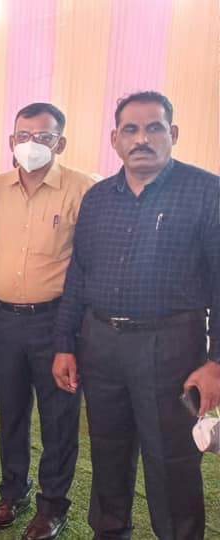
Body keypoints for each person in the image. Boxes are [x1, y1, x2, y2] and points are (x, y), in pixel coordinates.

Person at [52, 91, 220, 539]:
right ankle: (109, 531)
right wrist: (65, 344)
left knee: (172, 458)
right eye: (130, 129)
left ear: (173, 133)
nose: (141, 138)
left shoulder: (207, 192)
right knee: (107, 450)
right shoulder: (98, 198)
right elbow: (78, 276)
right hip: (100, 344)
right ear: (115, 139)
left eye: (154, 128)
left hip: (172, 347)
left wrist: (216, 362)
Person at [0, 103, 93, 540]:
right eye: (24, 136)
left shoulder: (82, 190)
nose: (32, 145)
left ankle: (53, 505)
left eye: (44, 137)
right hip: (2, 320)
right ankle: (13, 492)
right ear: (11, 141)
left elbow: (87, 266)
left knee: (58, 417)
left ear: (60, 143)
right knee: (10, 412)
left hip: (56, 322)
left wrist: (71, 334)